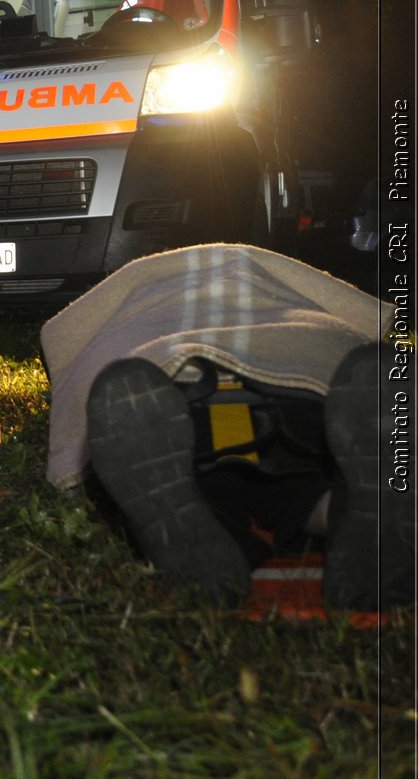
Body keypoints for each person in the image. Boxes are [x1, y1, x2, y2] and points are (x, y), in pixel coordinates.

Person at [41, 243, 409, 611]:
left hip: (175, 395)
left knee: (181, 473)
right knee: (306, 478)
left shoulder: (145, 288)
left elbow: (73, 341)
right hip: (296, 388)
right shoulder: (266, 272)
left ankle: (211, 539)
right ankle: (340, 515)